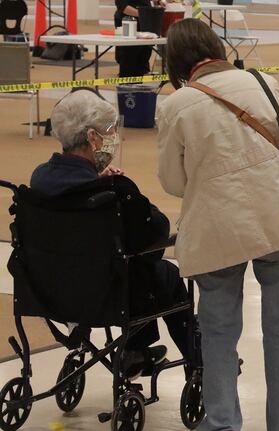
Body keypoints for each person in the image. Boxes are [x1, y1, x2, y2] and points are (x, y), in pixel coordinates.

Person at [158, 19, 279, 431]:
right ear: (216, 46)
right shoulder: (262, 83)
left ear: (176, 61)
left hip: (215, 229)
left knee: (219, 333)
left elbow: (173, 181)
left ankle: (222, 426)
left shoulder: (176, 105)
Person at [30, 89, 192, 379]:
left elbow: (74, 193)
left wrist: (93, 179)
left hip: (49, 287)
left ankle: (137, 349)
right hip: (107, 294)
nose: (116, 138)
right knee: (164, 274)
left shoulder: (40, 179)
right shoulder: (115, 192)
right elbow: (154, 236)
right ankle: (191, 359)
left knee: (135, 269)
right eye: (110, 131)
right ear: (93, 137)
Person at [114, 0, 166, 77]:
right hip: (128, 23)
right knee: (129, 57)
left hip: (145, 23)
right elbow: (123, 7)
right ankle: (126, 81)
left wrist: (158, 2)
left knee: (144, 55)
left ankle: (139, 80)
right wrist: (143, 14)